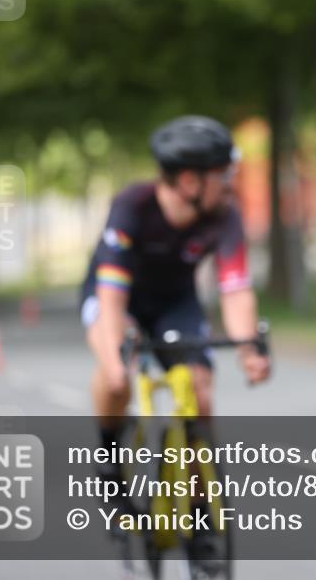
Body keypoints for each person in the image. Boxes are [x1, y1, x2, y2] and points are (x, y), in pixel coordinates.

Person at [80, 115, 270, 471]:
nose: (232, 184)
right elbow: (112, 298)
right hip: (118, 297)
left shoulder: (225, 216)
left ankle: (198, 508)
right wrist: (115, 362)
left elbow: (235, 290)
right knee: (116, 375)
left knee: (199, 390)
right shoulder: (131, 207)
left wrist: (248, 350)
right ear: (189, 181)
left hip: (174, 299)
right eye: (224, 175)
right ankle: (108, 460)